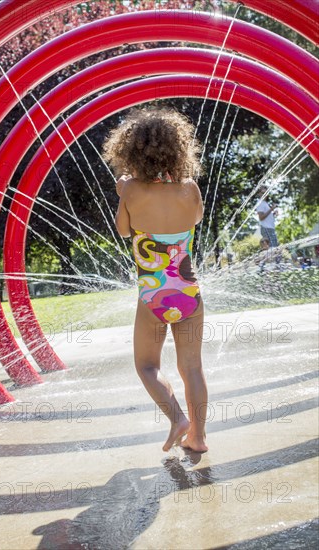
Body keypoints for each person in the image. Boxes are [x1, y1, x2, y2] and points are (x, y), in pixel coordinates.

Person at [103, 108, 208, 453]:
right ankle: (198, 437)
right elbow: (195, 219)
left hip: (153, 294)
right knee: (191, 367)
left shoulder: (132, 190)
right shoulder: (190, 188)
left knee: (147, 366)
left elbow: (123, 230)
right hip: (189, 291)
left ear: (132, 151)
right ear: (178, 150)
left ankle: (177, 418)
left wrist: (123, 193)